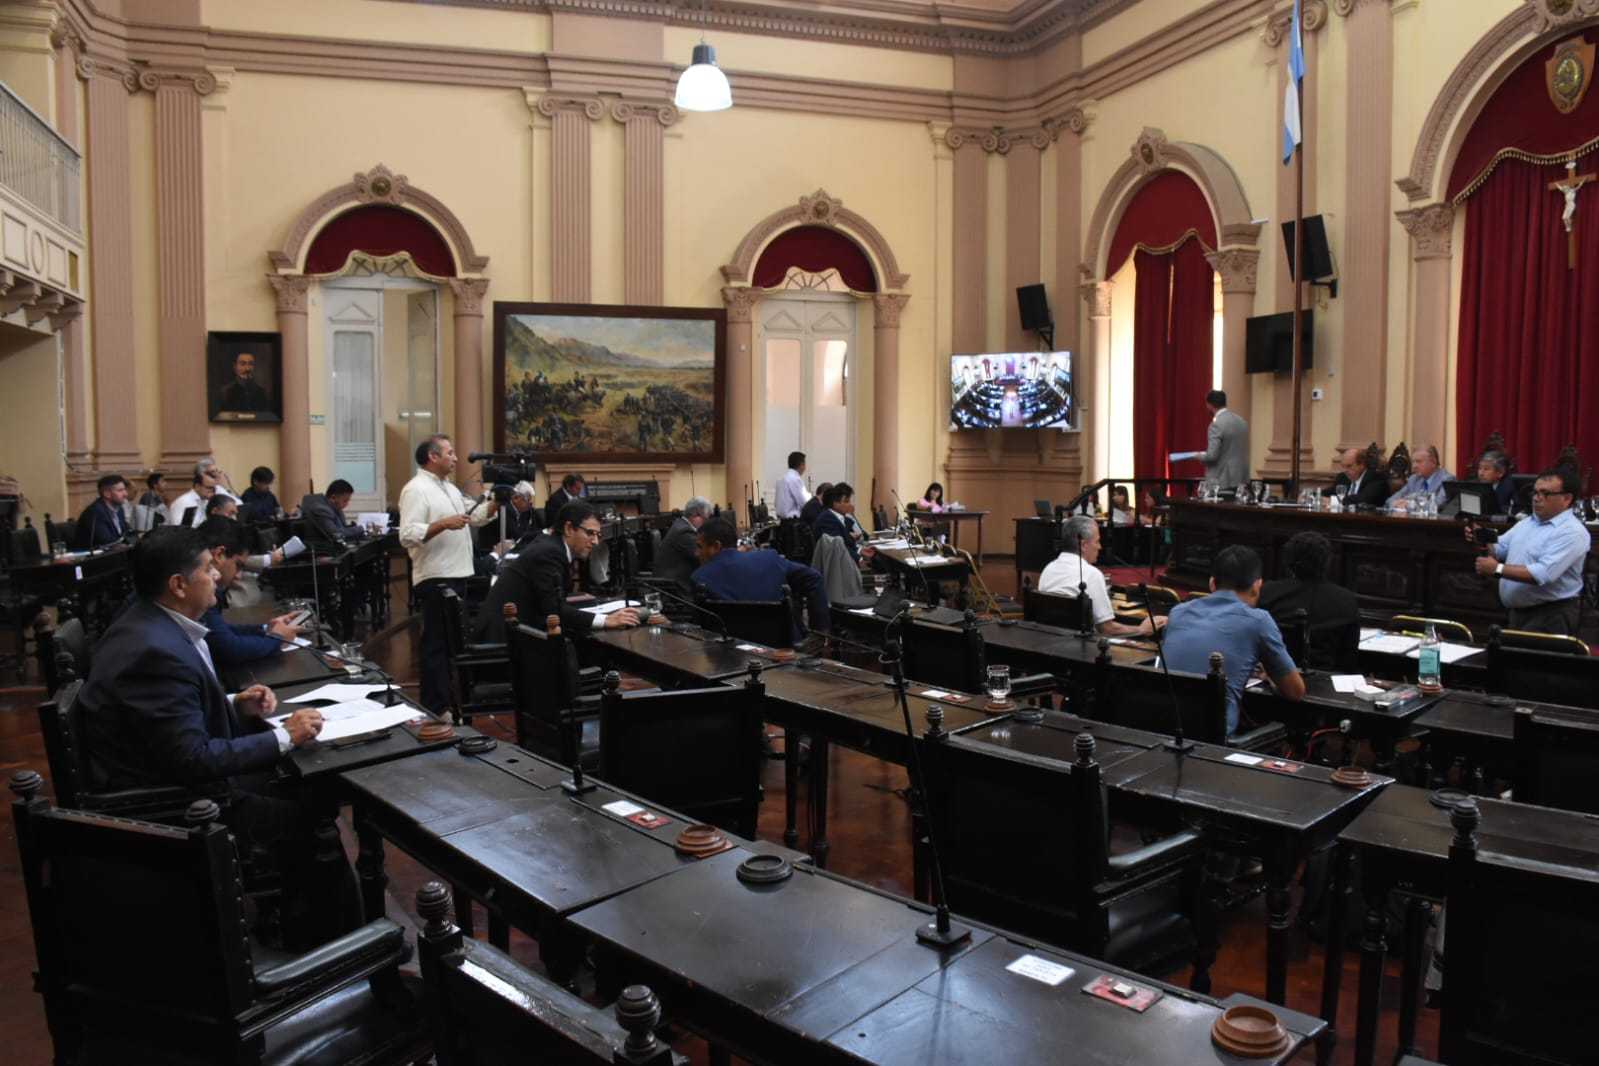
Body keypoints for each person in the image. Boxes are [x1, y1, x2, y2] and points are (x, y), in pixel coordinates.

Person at [399, 434, 499, 713]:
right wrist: (443, 524)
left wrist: (497, 502)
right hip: (436, 576)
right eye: (450, 453)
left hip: (457, 573)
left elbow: (474, 516)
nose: (456, 458)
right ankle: (435, 707)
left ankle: (450, 702)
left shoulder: (449, 488)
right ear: (433, 457)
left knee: (452, 643)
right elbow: (407, 534)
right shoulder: (416, 489)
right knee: (436, 644)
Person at [1161, 545, 1305, 735]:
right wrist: (1270, 675)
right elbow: (1295, 692)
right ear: (1257, 586)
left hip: (1162, 726)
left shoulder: (1178, 612)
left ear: (1212, 583)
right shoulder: (1259, 621)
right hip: (1213, 738)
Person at [473, 501, 642, 642]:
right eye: (590, 533)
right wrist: (607, 620)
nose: (596, 541)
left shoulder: (551, 545)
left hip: (517, 632)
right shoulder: (549, 553)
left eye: (598, 535)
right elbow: (553, 609)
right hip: (502, 641)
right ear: (569, 529)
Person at [1469, 466, 1592, 635]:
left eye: (1545, 494)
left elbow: (1543, 574)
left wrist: (1497, 569)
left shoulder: (1572, 532)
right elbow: (1498, 549)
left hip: (1551, 615)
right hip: (1518, 613)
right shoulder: (1527, 523)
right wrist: (1480, 537)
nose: (1536, 498)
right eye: (1535, 492)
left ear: (1566, 499)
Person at [692, 517, 828, 642]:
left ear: (716, 546)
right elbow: (814, 578)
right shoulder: (769, 559)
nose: (696, 553)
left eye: (699, 547)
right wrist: (819, 634)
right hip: (786, 650)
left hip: (732, 655)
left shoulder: (700, 578)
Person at [194, 516, 303, 667]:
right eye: (238, 565)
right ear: (219, 554)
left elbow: (220, 632)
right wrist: (277, 638)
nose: (238, 576)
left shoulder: (208, 588)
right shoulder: (200, 590)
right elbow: (229, 648)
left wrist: (266, 629)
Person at [1037, 515, 1158, 637]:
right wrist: (1141, 629)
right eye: (1097, 541)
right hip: (1080, 645)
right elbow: (1107, 629)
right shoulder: (1091, 574)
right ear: (1083, 545)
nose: (1100, 547)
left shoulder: (1048, 569)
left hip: (1048, 640)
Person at [1259, 531, 1361, 671]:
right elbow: (1349, 659)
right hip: (1327, 678)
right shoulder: (1346, 600)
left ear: (1287, 562)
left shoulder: (1267, 593)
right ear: (1327, 562)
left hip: (1275, 675)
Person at [653, 495, 712, 590]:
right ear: (695, 515)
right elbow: (704, 557)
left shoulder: (681, 525)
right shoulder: (684, 532)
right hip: (675, 588)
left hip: (678, 582)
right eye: (705, 519)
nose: (706, 523)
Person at [1194, 389, 1249, 489]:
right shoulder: (1242, 422)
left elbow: (1212, 456)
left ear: (1209, 405)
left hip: (1222, 480)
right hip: (1241, 479)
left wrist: (1198, 456)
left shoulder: (1216, 425)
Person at [813, 482, 874, 564]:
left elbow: (846, 544)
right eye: (846, 501)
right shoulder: (828, 520)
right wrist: (860, 559)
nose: (850, 505)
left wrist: (860, 550)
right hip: (836, 565)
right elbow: (838, 549)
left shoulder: (836, 517)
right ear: (835, 503)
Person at [1387, 444, 1452, 508]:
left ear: (1433, 463)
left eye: (1419, 461)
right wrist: (1395, 503)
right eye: (1413, 462)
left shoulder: (1447, 480)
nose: (1414, 466)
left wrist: (1408, 504)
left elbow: (1438, 504)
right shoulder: (1413, 479)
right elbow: (1390, 500)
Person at [74, 473, 129, 548]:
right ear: (107, 494)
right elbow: (106, 542)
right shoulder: (94, 513)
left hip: (116, 552)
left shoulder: (119, 509)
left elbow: (125, 533)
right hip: (97, 554)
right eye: (120, 490)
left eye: (124, 489)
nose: (125, 494)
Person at [1322, 448, 1389, 509]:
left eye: (1349, 466)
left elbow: (1363, 499)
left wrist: (1334, 501)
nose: (1345, 470)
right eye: (1343, 466)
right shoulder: (1343, 477)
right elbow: (1327, 492)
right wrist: (1318, 496)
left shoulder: (1376, 478)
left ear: (1362, 464)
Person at [300, 479, 356, 546]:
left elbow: (343, 528)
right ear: (333, 498)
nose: (347, 504)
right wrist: (361, 529)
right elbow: (337, 533)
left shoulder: (336, 508)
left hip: (336, 545)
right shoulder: (321, 509)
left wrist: (353, 527)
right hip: (322, 548)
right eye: (345, 501)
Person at [1475, 450, 1516, 515]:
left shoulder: (1510, 488)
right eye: (1479, 468)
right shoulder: (1475, 486)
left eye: (1486, 469)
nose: (1481, 473)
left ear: (1500, 473)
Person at [775, 451, 808, 519]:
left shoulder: (781, 479)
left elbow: (776, 503)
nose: (805, 468)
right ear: (801, 465)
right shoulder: (796, 479)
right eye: (805, 465)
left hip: (781, 520)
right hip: (793, 520)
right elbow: (804, 503)